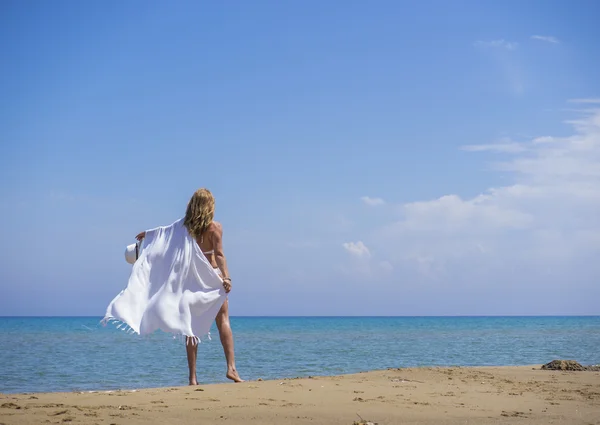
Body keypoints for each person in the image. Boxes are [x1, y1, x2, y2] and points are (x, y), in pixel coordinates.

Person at [135, 188, 243, 385]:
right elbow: (219, 255)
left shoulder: (184, 227)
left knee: (190, 328)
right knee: (223, 320)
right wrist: (227, 278)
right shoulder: (215, 228)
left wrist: (148, 235)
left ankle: (193, 378)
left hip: (190, 283)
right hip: (212, 280)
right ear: (210, 206)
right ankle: (231, 369)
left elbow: (164, 232)